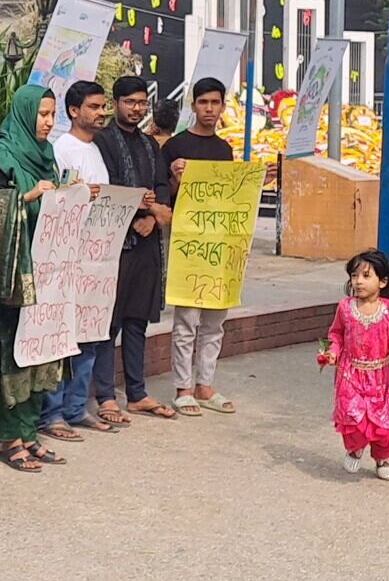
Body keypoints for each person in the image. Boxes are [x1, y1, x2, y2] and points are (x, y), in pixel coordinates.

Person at [0, 84, 67, 473]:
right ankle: (10, 438)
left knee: (40, 351)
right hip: (16, 275)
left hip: (47, 272)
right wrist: (28, 197)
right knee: (13, 353)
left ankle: (30, 433)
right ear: (25, 113)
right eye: (42, 114)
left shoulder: (46, 155)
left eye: (52, 114)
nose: (47, 122)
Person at [93, 76, 177, 421]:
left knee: (137, 320)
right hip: (115, 244)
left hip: (146, 244)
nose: (137, 108)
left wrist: (153, 220)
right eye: (130, 102)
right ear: (115, 103)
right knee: (108, 321)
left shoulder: (149, 143)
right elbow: (107, 187)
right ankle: (104, 395)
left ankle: (137, 393)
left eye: (142, 103)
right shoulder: (102, 141)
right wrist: (136, 217)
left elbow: (161, 186)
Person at [40, 79, 113, 439]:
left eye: (103, 107)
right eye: (94, 107)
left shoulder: (96, 150)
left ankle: (75, 406)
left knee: (90, 334)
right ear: (74, 111)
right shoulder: (62, 149)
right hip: (66, 257)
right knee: (61, 335)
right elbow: (57, 198)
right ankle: (53, 412)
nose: (101, 113)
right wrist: (81, 193)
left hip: (96, 258)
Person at [165, 77, 240, 415]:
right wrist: (174, 178)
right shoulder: (175, 146)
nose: (209, 109)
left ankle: (205, 385)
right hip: (188, 245)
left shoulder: (224, 150)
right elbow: (165, 194)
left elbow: (232, 196)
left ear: (222, 106)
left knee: (214, 321)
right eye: (203, 102)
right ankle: (183, 387)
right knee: (186, 321)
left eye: (215, 103)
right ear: (193, 105)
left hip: (220, 243)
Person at [317, 249, 389, 481]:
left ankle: (383, 457)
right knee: (353, 417)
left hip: (380, 379)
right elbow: (336, 335)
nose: (358, 281)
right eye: (354, 276)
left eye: (366, 276)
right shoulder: (344, 308)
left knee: (382, 422)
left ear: (382, 281)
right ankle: (355, 448)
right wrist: (332, 352)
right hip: (350, 375)